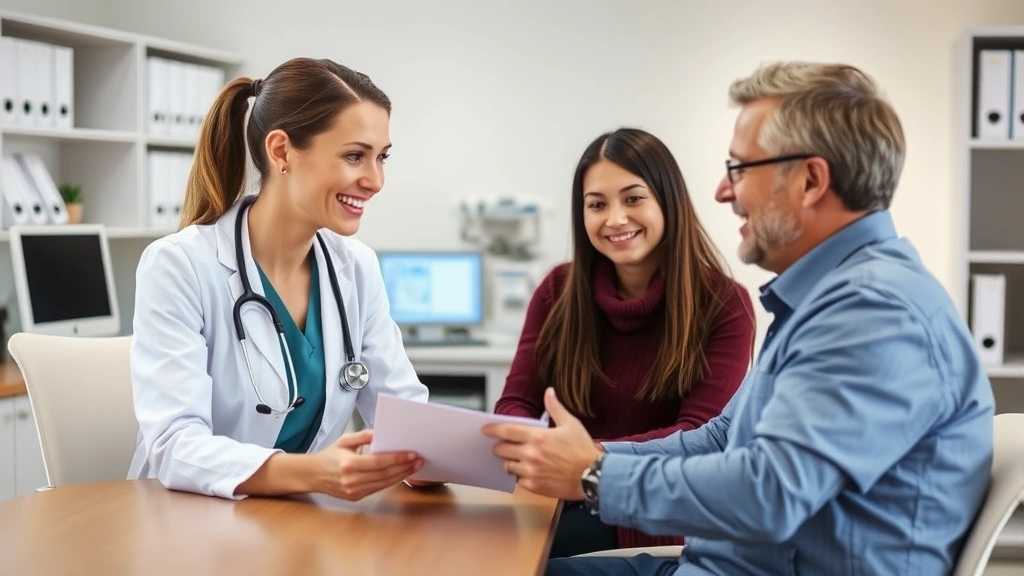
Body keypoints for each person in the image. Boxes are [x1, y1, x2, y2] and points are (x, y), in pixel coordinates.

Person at [485, 61, 995, 576]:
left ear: (811, 180)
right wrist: (576, 456)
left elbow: (771, 493)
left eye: (740, 169)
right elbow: (718, 437)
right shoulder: (824, 298)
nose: (723, 192)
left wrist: (595, 475)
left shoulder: (875, 311)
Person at [128, 57, 432, 501]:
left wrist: (432, 455)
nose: (375, 180)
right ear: (281, 151)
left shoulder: (356, 268)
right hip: (187, 521)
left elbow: (403, 414)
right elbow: (174, 446)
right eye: (354, 156)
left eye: (381, 157)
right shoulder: (179, 265)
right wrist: (314, 474)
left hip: (297, 524)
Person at [494, 128, 755, 556]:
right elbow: (515, 404)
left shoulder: (725, 305)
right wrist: (526, 443)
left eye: (633, 199)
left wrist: (586, 460)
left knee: (506, 556)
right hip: (556, 495)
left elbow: (698, 438)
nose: (614, 219)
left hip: (647, 516)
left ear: (667, 201)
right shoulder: (557, 290)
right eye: (597, 204)